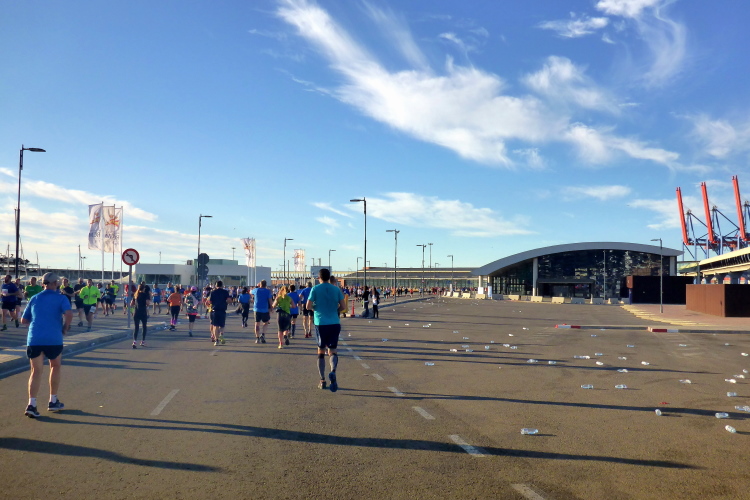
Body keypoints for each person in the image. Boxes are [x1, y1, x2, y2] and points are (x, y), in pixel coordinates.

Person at [22, 272, 73, 418]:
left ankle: (31, 404)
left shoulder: (35, 298)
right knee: (55, 366)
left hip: (35, 339)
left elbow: (24, 320)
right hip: (53, 338)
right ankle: (53, 400)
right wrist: (65, 327)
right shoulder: (61, 298)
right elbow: (69, 314)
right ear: (55, 283)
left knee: (35, 371)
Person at [307, 269, 346, 392]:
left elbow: (308, 306)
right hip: (334, 322)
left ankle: (322, 380)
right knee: (333, 350)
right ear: (329, 277)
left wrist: (316, 308)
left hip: (321, 323)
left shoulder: (315, 289)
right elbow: (343, 307)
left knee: (321, 351)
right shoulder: (336, 289)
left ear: (319, 278)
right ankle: (333, 371)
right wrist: (334, 310)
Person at [207, 280, 231, 346]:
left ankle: (216, 340)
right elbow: (229, 300)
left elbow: (209, 301)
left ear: (216, 285)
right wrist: (225, 302)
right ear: (222, 285)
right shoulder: (225, 292)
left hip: (215, 310)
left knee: (215, 326)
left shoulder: (213, 292)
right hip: (222, 310)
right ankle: (221, 334)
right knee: (222, 325)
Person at [130, 283, 151, 348]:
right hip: (143, 312)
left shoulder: (136, 294)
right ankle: (143, 341)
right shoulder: (145, 295)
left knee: (136, 328)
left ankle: (134, 342)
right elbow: (147, 303)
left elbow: (131, 304)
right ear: (144, 289)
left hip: (136, 312)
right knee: (144, 327)